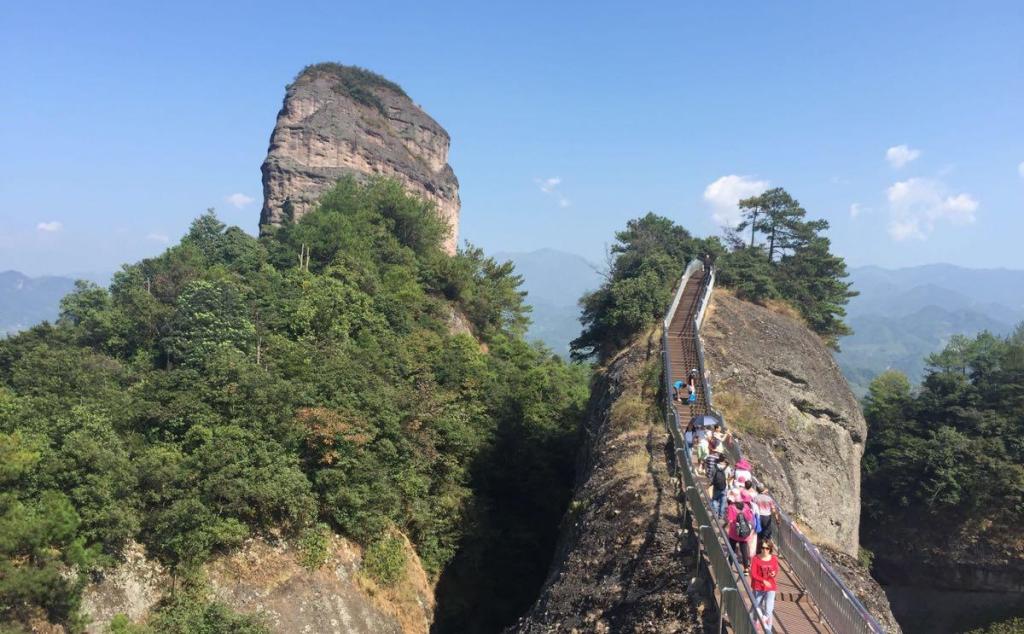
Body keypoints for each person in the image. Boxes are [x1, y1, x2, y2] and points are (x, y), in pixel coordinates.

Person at [750, 540, 779, 633]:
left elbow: (775, 570)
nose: (764, 550)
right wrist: (763, 581)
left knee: (769, 606)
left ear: (770, 549)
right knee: (757, 605)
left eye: (767, 548)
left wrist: (773, 574)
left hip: (771, 586)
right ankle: (755, 622)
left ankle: (767, 627)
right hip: (758, 586)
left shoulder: (774, 558)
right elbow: (753, 574)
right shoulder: (756, 559)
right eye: (763, 548)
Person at [726, 498, 755, 574]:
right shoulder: (746, 506)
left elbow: (729, 520)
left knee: (732, 549)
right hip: (744, 533)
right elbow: (750, 518)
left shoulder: (731, 507)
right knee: (744, 551)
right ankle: (746, 568)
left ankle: (730, 565)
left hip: (734, 532)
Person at [754, 484, 776, 554]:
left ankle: (759, 550)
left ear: (757, 490)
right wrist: (776, 517)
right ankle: (768, 550)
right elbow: (773, 509)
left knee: (759, 534)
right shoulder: (769, 498)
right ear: (763, 489)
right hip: (767, 517)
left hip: (758, 517)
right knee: (767, 534)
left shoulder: (755, 498)